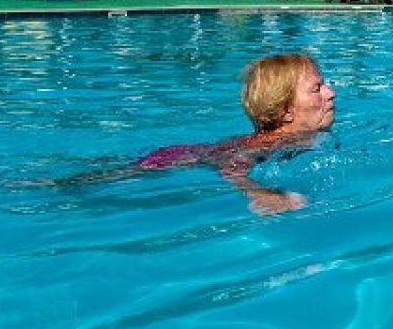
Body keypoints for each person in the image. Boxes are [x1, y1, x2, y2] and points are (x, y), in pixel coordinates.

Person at [130, 54, 336, 214]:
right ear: (285, 111)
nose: (331, 93)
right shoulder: (271, 143)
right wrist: (262, 194)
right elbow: (231, 167)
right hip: (164, 162)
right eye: (316, 89)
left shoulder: (294, 140)